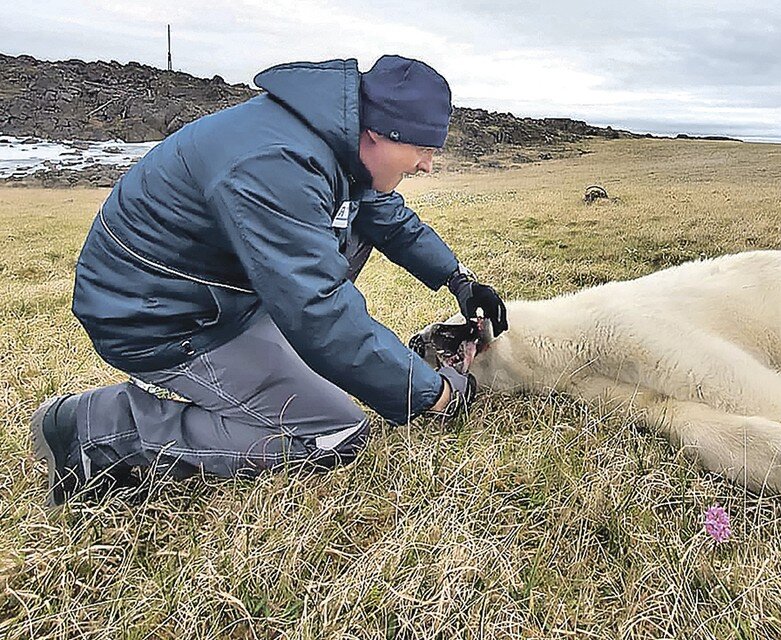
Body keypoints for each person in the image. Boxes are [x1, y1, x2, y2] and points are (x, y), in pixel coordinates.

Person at [30, 55, 508, 506]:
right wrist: (433, 393)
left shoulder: (335, 143)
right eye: (423, 148)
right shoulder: (277, 164)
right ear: (379, 133)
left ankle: (277, 362)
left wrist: (459, 280)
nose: (427, 164)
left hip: (211, 296)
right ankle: (98, 429)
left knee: (355, 230)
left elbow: (382, 215)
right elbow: (318, 309)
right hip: (159, 316)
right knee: (334, 432)